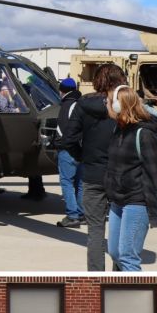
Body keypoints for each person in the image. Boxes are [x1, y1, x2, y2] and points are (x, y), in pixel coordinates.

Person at [60, 62, 125, 270]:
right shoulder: (125, 104)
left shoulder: (83, 105)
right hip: (121, 175)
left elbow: (69, 139)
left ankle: (96, 276)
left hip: (93, 174)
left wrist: (83, 157)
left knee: (95, 231)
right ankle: (120, 272)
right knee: (120, 230)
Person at [104, 84, 157, 271]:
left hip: (137, 202)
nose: (105, 104)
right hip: (117, 201)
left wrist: (154, 212)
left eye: (108, 101)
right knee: (114, 252)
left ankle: (135, 296)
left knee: (128, 256)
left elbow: (153, 175)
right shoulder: (118, 129)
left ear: (118, 106)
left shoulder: (144, 134)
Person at [55, 77, 84, 228]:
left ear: (62, 90)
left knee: (67, 182)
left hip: (68, 150)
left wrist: (60, 144)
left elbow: (65, 129)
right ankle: (81, 213)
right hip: (81, 150)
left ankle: (72, 216)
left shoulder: (66, 105)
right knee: (80, 184)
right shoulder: (81, 103)